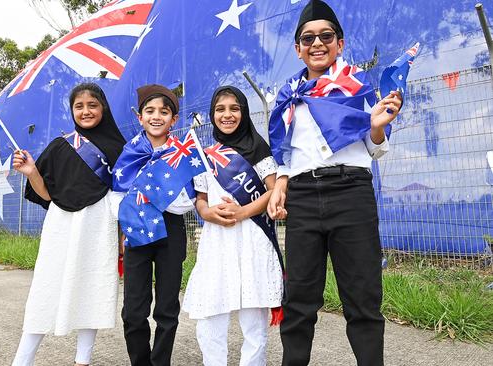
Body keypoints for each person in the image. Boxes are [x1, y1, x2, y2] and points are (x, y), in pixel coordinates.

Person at [266, 1, 403, 365]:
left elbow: (375, 148)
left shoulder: (359, 85)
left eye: (326, 36)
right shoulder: (288, 95)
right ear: (298, 48)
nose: (317, 43)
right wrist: (281, 184)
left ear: (339, 44)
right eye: (307, 38)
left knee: (362, 299)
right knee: (298, 300)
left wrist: (375, 125)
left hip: (350, 193)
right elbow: (287, 152)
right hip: (304, 198)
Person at [11, 83, 126, 366]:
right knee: (46, 287)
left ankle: (82, 360)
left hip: (100, 226)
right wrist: (31, 172)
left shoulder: (120, 149)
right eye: (79, 106)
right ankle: (22, 360)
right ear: (72, 110)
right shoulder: (60, 146)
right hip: (61, 226)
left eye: (92, 105)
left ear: (103, 108)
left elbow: (124, 198)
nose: (86, 111)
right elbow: (47, 195)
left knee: (93, 287)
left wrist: (123, 236)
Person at [182, 86, 284, 366]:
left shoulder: (258, 146)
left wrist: (242, 212)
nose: (227, 115)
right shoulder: (203, 155)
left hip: (253, 238)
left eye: (234, 108)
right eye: (220, 109)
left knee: (254, 321)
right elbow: (200, 200)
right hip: (217, 241)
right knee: (211, 315)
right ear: (212, 115)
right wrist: (208, 213)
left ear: (244, 112)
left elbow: (273, 190)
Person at [112, 84, 193, 366]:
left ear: (174, 119)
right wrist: (127, 224)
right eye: (150, 111)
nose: (156, 116)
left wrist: (155, 190)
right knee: (133, 310)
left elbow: (187, 200)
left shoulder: (182, 153)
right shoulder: (131, 152)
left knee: (167, 309)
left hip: (171, 230)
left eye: (164, 112)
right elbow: (117, 195)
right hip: (136, 232)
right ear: (140, 117)